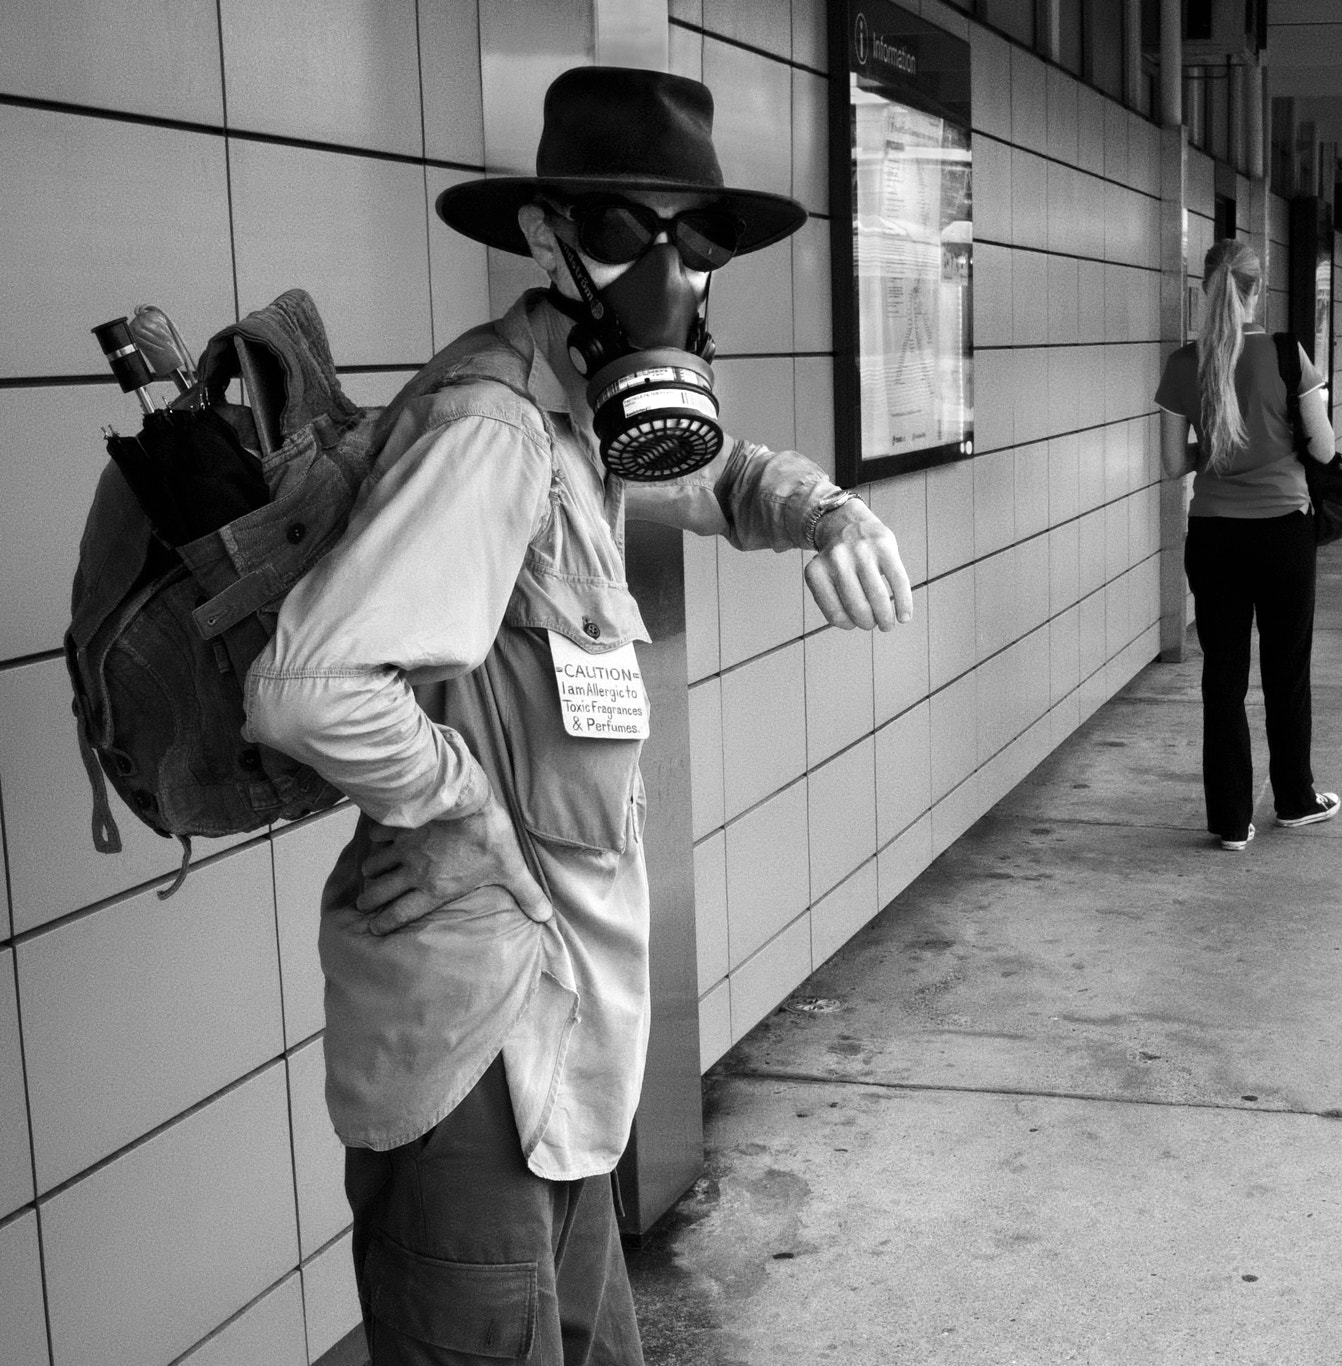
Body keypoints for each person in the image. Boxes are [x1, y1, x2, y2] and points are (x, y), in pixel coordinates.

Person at [242, 68, 914, 1364]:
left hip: (563, 1029)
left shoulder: (578, 405)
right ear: (549, 236)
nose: (666, 273)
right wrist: (459, 800)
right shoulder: (489, 429)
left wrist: (827, 510)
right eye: (620, 231)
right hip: (473, 1035)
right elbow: (304, 684)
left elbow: (712, 470)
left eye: (697, 240)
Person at [1153, 239, 1342, 852]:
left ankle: (1232, 821)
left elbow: (1169, 463)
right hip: (1283, 532)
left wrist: (1217, 453)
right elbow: (1322, 449)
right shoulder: (1289, 354)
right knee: (1287, 671)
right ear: (1258, 290)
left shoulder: (1185, 362)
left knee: (1223, 680)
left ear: (1205, 288)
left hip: (1214, 535)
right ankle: (1295, 799)